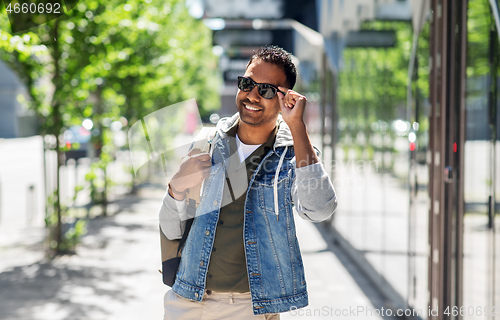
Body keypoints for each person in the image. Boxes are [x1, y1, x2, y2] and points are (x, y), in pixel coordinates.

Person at [159, 45, 337, 320]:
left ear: (285, 98)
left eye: (265, 90)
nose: (252, 95)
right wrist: (176, 188)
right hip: (187, 300)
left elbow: (319, 209)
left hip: (247, 308)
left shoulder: (294, 154)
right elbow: (171, 226)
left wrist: (297, 127)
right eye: (248, 83)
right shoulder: (207, 142)